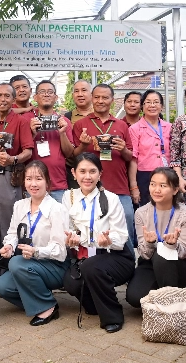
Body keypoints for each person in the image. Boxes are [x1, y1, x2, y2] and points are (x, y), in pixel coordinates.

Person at [62, 153, 135, 333]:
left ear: (100, 174)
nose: (87, 177)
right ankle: (95, 305)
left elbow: (121, 238)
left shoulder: (111, 198)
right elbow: (68, 230)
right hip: (85, 256)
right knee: (71, 283)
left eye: (93, 171)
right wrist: (71, 240)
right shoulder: (68, 197)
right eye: (83, 171)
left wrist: (108, 241)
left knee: (92, 267)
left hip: (116, 256)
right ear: (74, 173)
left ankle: (113, 316)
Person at [0, 161, 69, 326]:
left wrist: (36, 251)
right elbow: (12, 234)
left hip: (54, 266)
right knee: (3, 287)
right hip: (30, 263)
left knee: (16, 263)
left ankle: (47, 307)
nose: (33, 184)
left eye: (38, 178)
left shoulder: (57, 209)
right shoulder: (19, 205)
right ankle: (40, 301)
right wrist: (9, 246)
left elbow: (60, 251)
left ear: (47, 182)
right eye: (29, 179)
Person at [73, 84, 136, 251]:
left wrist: (122, 148)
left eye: (105, 97)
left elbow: (130, 157)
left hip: (119, 186)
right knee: (94, 229)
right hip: (90, 187)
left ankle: (128, 262)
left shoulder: (121, 125)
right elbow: (73, 155)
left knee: (126, 223)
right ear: (92, 99)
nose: (100, 101)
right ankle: (97, 264)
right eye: (97, 97)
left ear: (112, 100)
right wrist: (84, 145)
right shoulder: (81, 125)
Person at [0, 83, 33, 280]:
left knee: (8, 221)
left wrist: (13, 159)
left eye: (6, 96)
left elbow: (28, 151)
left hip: (10, 174)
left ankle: (10, 265)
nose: (2, 99)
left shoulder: (20, 121)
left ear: (13, 100)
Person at [125, 167, 186, 308]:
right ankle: (161, 291)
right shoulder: (141, 212)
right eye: (153, 184)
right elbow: (144, 254)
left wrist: (173, 245)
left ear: (175, 190)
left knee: (163, 254)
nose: (156, 190)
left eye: (163, 186)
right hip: (150, 263)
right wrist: (150, 243)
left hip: (178, 265)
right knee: (134, 298)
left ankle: (171, 307)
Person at [23, 80, 74, 203]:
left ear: (56, 97)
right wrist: (32, 133)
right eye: (42, 92)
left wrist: (62, 133)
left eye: (50, 92)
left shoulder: (64, 121)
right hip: (33, 185)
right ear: (35, 97)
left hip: (58, 184)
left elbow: (69, 153)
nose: (46, 94)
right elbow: (20, 151)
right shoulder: (26, 120)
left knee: (59, 221)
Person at [128, 90, 171, 207]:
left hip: (167, 174)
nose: (152, 105)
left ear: (161, 106)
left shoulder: (169, 127)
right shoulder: (135, 129)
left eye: (156, 102)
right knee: (147, 212)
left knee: (167, 210)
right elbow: (133, 159)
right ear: (142, 106)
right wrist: (134, 186)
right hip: (145, 176)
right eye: (148, 102)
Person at [65, 80, 93, 189]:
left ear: (91, 94)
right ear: (72, 95)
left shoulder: (102, 115)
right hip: (75, 168)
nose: (80, 94)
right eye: (76, 91)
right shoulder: (66, 118)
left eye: (84, 90)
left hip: (98, 167)